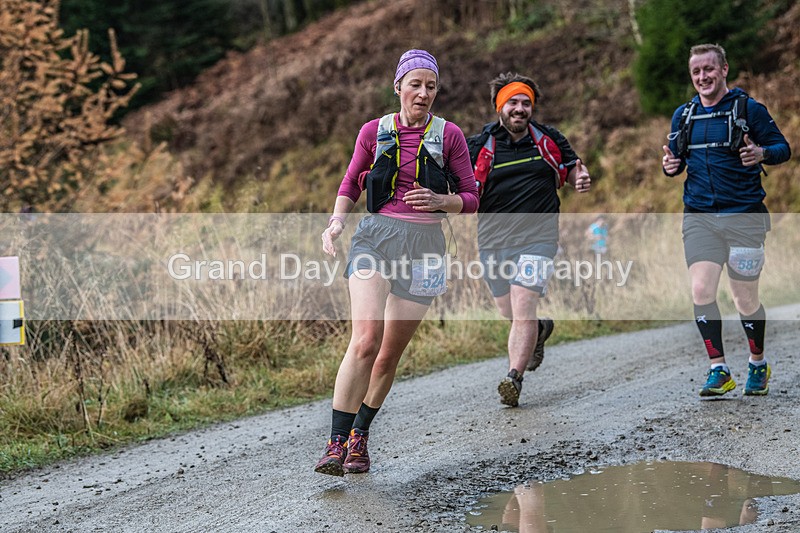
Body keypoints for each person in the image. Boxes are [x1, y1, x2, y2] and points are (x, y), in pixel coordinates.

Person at [316, 49, 479, 476]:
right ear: (398, 87)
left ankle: (360, 438)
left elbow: (472, 197)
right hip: (377, 237)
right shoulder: (374, 130)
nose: (423, 93)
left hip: (427, 246)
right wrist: (336, 223)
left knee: (388, 355)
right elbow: (352, 180)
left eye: (431, 86)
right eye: (415, 84)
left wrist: (443, 201)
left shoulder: (452, 136)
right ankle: (335, 443)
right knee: (366, 339)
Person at [661, 43, 790, 397]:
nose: (703, 77)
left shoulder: (749, 109)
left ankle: (757, 362)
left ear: (724, 70)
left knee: (744, 299)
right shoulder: (683, 116)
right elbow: (675, 159)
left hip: (744, 215)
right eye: (696, 72)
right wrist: (669, 166)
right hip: (700, 216)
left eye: (709, 69)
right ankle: (718, 369)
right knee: (701, 289)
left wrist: (762, 152)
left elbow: (784, 149)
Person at [468, 72, 591, 407]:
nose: (520, 109)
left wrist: (580, 176)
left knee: (523, 306)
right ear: (500, 107)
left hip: (539, 238)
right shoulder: (480, 145)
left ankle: (514, 378)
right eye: (513, 102)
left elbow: (573, 165)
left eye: (526, 103)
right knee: (510, 311)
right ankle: (539, 329)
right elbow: (456, 181)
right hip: (493, 240)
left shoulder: (548, 139)